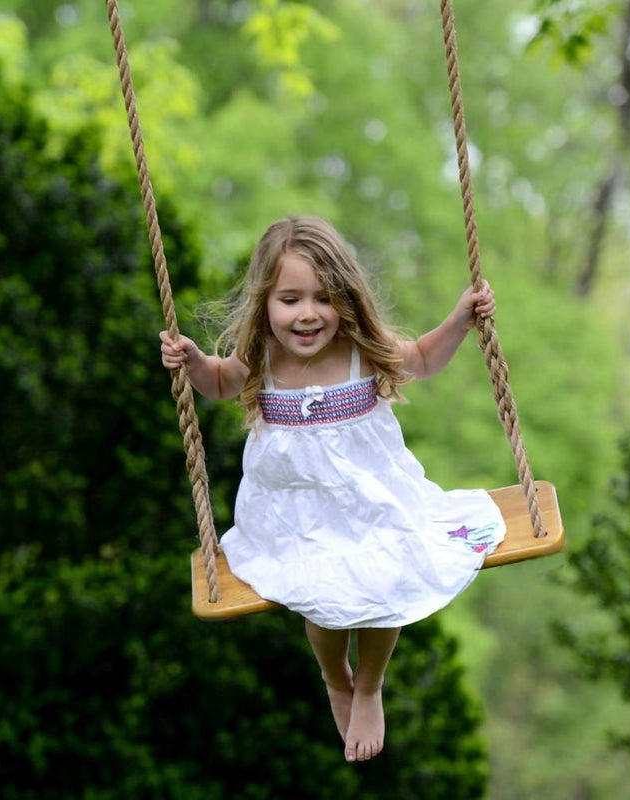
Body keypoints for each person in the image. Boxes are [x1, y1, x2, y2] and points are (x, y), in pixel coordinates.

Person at [159, 216, 506, 763]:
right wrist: (195, 362)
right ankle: (335, 676)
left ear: (343, 298)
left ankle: (369, 684)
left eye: (322, 298)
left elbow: (422, 360)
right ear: (266, 302)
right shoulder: (261, 356)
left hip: (374, 503)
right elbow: (222, 382)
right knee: (322, 602)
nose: (307, 314)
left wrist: (461, 321)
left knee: (389, 580)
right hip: (295, 515)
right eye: (290, 299)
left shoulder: (360, 347)